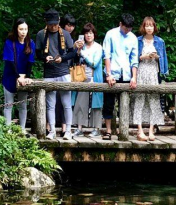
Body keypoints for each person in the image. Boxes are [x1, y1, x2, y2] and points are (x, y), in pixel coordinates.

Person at [35, 9, 75, 139]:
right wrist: (45, 58)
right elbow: (38, 53)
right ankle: (51, 130)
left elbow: (72, 52)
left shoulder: (65, 34)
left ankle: (68, 130)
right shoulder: (41, 34)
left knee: (66, 103)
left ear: (58, 21)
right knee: (50, 104)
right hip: (49, 72)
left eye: (55, 24)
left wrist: (62, 58)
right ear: (46, 22)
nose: (53, 27)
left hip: (63, 71)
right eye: (50, 24)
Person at [101, 12, 137, 140]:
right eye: (126, 27)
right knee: (109, 103)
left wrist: (134, 77)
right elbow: (107, 55)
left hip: (126, 73)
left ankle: (123, 131)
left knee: (125, 103)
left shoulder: (133, 38)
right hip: (113, 72)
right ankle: (109, 130)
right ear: (120, 24)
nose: (128, 30)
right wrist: (109, 74)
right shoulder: (111, 34)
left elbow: (134, 59)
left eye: (130, 28)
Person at [131, 16, 167, 142]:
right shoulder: (137, 40)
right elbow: (133, 58)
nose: (149, 28)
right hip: (141, 71)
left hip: (153, 72)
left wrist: (156, 57)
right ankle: (140, 130)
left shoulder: (160, 41)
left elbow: (163, 59)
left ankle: (151, 130)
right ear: (143, 27)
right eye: (147, 25)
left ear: (154, 27)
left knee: (154, 100)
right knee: (139, 99)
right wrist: (143, 57)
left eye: (151, 25)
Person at [70, 23, 104, 138]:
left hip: (95, 78)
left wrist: (82, 53)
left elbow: (95, 63)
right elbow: (73, 61)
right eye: (86, 33)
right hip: (82, 78)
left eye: (90, 33)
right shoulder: (81, 46)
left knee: (96, 104)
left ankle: (97, 128)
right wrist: (76, 49)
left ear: (94, 34)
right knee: (80, 102)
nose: (88, 35)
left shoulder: (98, 47)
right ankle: (79, 128)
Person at [2, 18, 36, 130]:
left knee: (23, 105)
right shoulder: (9, 42)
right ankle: (8, 131)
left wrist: (27, 77)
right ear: (16, 29)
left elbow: (30, 62)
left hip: (24, 77)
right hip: (10, 76)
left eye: (25, 29)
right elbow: (10, 61)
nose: (23, 32)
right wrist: (17, 77)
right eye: (21, 29)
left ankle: (22, 130)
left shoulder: (30, 43)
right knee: (8, 105)